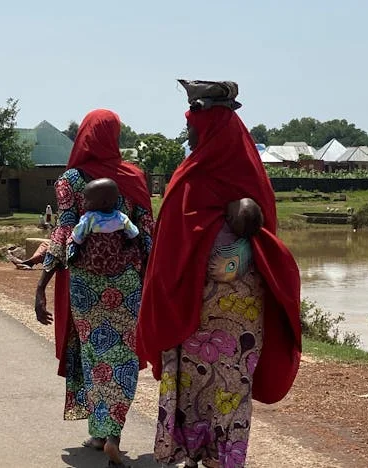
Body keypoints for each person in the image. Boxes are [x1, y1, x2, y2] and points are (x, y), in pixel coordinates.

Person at [137, 80, 302, 468]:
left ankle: (210, 457)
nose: (189, 137)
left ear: (209, 128)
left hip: (216, 313)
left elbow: (261, 240)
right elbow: (170, 248)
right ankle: (205, 457)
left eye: (192, 128)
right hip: (204, 313)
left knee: (225, 386)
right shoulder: (207, 177)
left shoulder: (196, 179)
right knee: (221, 386)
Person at [34, 109, 154, 467]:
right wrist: (151, 279)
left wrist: (42, 284)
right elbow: (147, 234)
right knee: (123, 354)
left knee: (95, 354)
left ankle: (101, 430)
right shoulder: (133, 178)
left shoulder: (71, 179)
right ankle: (110, 431)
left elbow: (63, 232)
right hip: (127, 285)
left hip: (85, 286)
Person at [71, 178, 140, 245]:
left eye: (87, 200)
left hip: (93, 255)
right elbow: (134, 235)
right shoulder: (122, 218)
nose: (84, 202)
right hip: (117, 255)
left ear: (104, 203)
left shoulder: (88, 219)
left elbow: (77, 238)